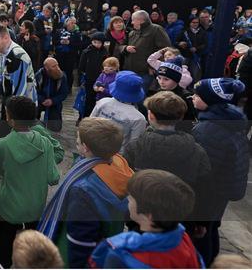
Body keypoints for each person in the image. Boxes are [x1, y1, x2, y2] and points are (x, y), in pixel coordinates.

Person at [123, 91, 211, 239]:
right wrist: (203, 222)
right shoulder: (197, 151)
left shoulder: (135, 147)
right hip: (181, 219)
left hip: (141, 216)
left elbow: (126, 181)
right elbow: (205, 190)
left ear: (150, 115)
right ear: (181, 117)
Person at [0, 96, 60, 268]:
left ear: (11, 120)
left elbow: (0, 169)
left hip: (10, 206)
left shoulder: (3, 144)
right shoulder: (45, 143)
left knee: (4, 243)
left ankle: (2, 264)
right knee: (32, 245)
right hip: (35, 206)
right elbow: (54, 178)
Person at [56, 117, 133, 267]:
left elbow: (79, 238)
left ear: (85, 148)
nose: (76, 140)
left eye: (78, 138)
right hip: (108, 242)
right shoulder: (119, 162)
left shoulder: (83, 188)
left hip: (77, 253)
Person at [89, 169, 204, 268]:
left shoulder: (120, 254)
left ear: (148, 215)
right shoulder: (184, 240)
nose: (128, 198)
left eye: (132, 198)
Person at [191, 78, 249, 265]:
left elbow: (204, 172)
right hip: (222, 190)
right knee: (212, 228)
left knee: (201, 235)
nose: (192, 97)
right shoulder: (229, 121)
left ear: (210, 101)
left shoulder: (208, 130)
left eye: (197, 95)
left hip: (209, 194)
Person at [0, 24, 38, 143]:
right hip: (9, 102)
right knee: (2, 141)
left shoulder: (17, 56)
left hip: (21, 108)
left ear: (6, 38)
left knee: (4, 140)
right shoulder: (2, 53)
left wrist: (12, 116)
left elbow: (20, 92)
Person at [90, 71, 146, 152]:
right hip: (118, 156)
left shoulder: (103, 102)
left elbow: (89, 123)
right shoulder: (138, 118)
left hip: (94, 147)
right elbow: (134, 145)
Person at [123, 10, 171, 94]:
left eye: (133, 20)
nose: (132, 22)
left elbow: (165, 49)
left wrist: (152, 66)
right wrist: (125, 48)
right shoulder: (132, 32)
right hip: (130, 71)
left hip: (145, 73)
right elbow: (122, 45)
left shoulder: (156, 29)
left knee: (140, 99)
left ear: (141, 20)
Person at [156, 56, 196, 133]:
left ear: (176, 79)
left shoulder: (185, 97)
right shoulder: (158, 92)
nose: (161, 82)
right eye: (159, 78)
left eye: (166, 79)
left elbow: (189, 120)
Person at [35, 57, 69, 132]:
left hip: (54, 103)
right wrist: (42, 99)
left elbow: (64, 93)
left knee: (55, 128)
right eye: (53, 66)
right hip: (40, 101)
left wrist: (52, 101)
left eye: (57, 65)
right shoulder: (39, 75)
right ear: (46, 68)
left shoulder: (62, 76)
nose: (57, 68)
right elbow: (33, 91)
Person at [79, 31, 108, 117]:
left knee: (99, 99)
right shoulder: (86, 52)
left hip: (100, 79)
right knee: (88, 99)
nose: (96, 44)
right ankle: (84, 116)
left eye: (99, 42)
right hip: (89, 79)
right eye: (94, 42)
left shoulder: (104, 52)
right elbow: (81, 66)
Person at [55, 17, 83, 89]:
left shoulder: (77, 33)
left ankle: (68, 87)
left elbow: (79, 45)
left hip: (70, 55)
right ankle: (58, 87)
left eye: (74, 23)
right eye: (71, 23)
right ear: (66, 23)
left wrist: (69, 42)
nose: (73, 25)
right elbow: (54, 42)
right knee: (58, 71)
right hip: (60, 55)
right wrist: (60, 42)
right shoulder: (59, 31)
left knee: (69, 72)